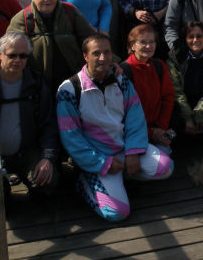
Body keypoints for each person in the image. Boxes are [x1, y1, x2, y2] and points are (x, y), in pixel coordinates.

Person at [57, 33, 173, 222]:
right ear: (85, 56)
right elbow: (71, 138)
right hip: (98, 157)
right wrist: (103, 163)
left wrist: (133, 152)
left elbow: (135, 118)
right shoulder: (69, 90)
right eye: (96, 53)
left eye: (107, 52)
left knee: (165, 167)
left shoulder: (121, 81)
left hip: (124, 148)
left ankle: (121, 176)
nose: (102, 58)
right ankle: (86, 181)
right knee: (116, 213)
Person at [0, 32, 59, 197]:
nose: (18, 60)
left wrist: (47, 158)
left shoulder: (36, 83)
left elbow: (48, 123)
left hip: (26, 151)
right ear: (0, 55)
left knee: (47, 183)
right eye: (12, 55)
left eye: (23, 56)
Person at [0, 0, 97, 94]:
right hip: (39, 85)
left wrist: (113, 61)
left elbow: (92, 40)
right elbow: (6, 47)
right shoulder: (23, 19)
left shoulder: (70, 12)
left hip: (73, 82)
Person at [122, 25, 176, 149]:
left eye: (151, 42)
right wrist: (150, 133)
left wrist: (160, 129)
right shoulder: (124, 71)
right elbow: (122, 112)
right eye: (143, 42)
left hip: (158, 130)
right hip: (133, 133)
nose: (148, 46)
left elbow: (168, 97)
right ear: (132, 46)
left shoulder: (159, 66)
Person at [166, 21, 203, 136]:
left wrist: (198, 117)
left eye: (199, 36)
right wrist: (188, 118)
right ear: (185, 39)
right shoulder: (175, 59)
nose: (195, 40)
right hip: (182, 105)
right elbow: (177, 92)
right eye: (191, 37)